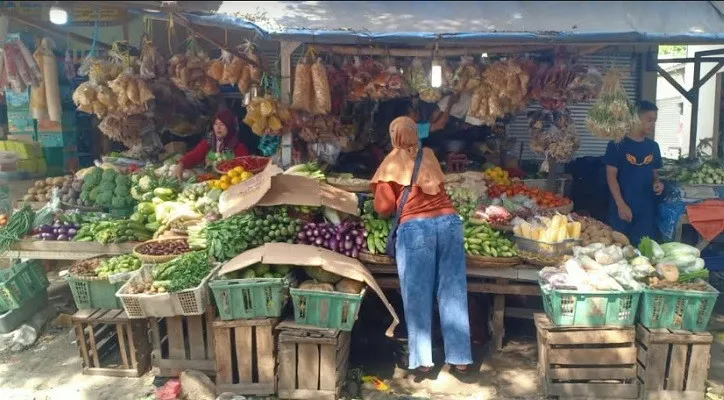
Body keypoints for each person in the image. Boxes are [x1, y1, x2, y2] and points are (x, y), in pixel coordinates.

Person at [370, 116, 472, 375]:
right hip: (450, 225)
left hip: (416, 230)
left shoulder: (391, 162)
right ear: (415, 133)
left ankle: (423, 360)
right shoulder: (428, 154)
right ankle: (460, 358)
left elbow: (384, 208)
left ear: (393, 136)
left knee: (417, 293)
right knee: (452, 291)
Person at [604, 100, 664, 246]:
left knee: (643, 251)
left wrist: (658, 183)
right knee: (619, 249)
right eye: (649, 120)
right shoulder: (617, 145)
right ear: (636, 119)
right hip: (622, 207)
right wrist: (621, 205)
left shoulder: (653, 146)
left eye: (655, 120)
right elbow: (611, 177)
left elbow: (654, 172)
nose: (653, 124)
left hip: (646, 209)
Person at [176, 109, 250, 177]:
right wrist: (181, 164)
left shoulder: (238, 146)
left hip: (230, 182)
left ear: (229, 126)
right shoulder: (209, 141)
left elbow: (244, 169)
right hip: (208, 181)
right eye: (216, 124)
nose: (218, 128)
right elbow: (194, 155)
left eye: (222, 124)